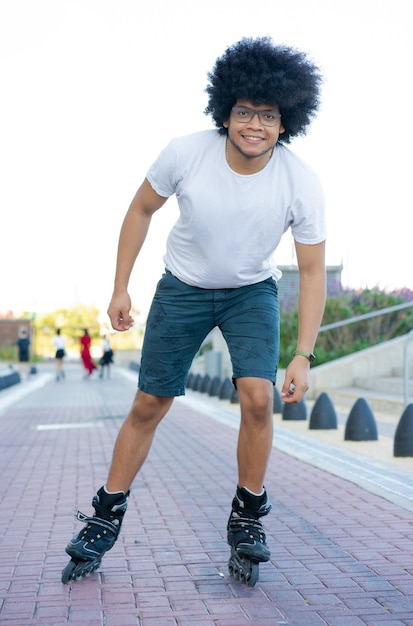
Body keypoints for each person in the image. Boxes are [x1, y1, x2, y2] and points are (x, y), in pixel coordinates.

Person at [62, 37, 326, 585]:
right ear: (225, 113)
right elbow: (140, 208)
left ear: (286, 122)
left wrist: (303, 353)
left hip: (252, 292)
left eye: (269, 115)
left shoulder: (300, 181)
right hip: (181, 287)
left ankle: (248, 516)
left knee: (258, 397)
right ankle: (105, 513)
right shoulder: (186, 152)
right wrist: (120, 287)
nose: (256, 124)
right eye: (245, 112)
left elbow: (312, 271)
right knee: (149, 402)